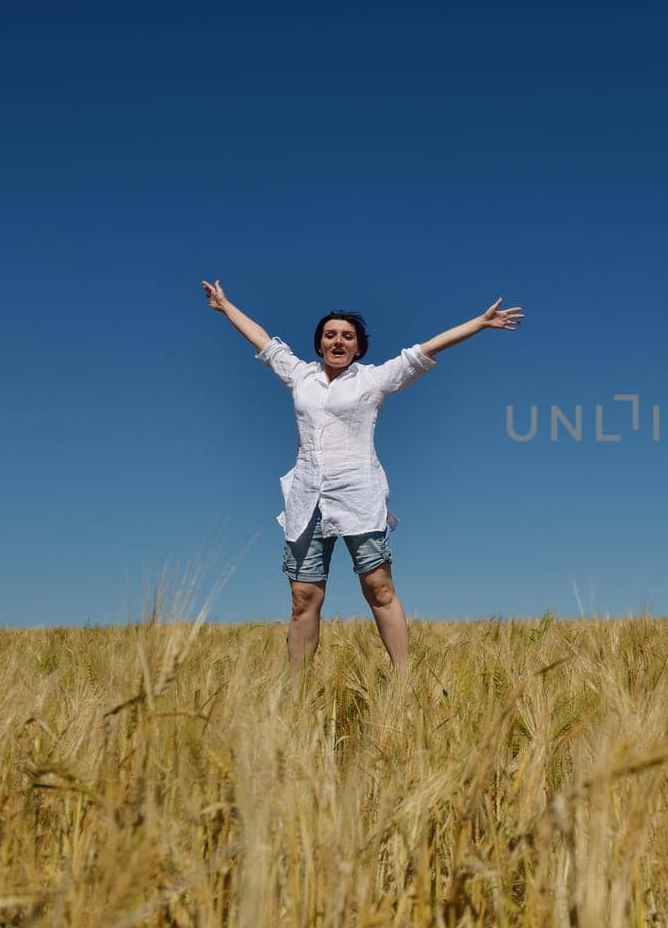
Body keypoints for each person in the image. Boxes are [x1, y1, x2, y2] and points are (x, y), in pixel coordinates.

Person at [200, 279, 524, 677]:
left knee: (379, 588)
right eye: (330, 335)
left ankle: (405, 682)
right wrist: (225, 305)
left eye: (348, 336)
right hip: (307, 500)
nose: (338, 341)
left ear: (358, 346)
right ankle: (296, 691)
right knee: (303, 597)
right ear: (319, 344)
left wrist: (478, 323)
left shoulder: (373, 380)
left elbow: (425, 350)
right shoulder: (300, 375)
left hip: (358, 499)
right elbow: (264, 341)